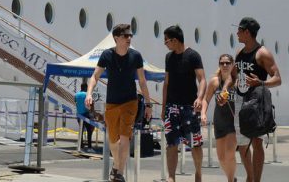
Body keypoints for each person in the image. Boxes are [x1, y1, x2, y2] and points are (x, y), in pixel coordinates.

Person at [86, 24, 153, 182]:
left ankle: (119, 173)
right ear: (116, 38)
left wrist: (149, 104)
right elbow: (95, 76)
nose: (129, 38)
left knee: (124, 139)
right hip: (112, 103)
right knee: (113, 140)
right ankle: (116, 166)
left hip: (130, 102)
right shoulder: (106, 55)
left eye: (130, 36)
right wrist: (89, 93)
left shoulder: (136, 56)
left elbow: (142, 82)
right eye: (125, 36)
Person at [231, 17, 282, 182]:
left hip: (256, 102)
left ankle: (255, 180)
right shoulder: (239, 53)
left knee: (257, 143)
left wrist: (260, 82)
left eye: (239, 30)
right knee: (242, 143)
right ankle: (250, 177)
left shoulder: (262, 53)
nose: (237, 33)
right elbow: (234, 76)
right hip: (240, 100)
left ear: (247, 32)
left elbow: (278, 78)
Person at [161, 25, 206, 182]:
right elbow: (166, 84)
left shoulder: (193, 55)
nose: (165, 44)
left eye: (166, 40)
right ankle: (171, 176)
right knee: (171, 144)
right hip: (171, 107)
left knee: (195, 144)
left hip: (189, 107)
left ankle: (198, 172)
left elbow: (202, 79)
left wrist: (199, 98)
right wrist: (163, 108)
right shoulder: (168, 57)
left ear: (174, 40)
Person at [201, 54, 238, 182]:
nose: (225, 65)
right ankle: (232, 178)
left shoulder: (237, 81)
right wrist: (203, 114)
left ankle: (230, 179)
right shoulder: (214, 81)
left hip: (234, 124)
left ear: (233, 64)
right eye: (222, 63)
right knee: (221, 158)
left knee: (230, 153)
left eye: (228, 63)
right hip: (219, 122)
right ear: (219, 65)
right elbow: (206, 99)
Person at [75, 81, 95, 151]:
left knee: (81, 130)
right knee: (89, 130)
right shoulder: (87, 94)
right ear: (86, 88)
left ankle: (81, 146)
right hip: (86, 114)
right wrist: (93, 114)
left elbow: (76, 102)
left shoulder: (76, 94)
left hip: (79, 115)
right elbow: (92, 104)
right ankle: (89, 147)